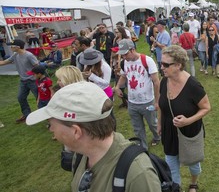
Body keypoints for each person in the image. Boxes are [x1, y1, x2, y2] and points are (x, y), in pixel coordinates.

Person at [26, 81, 162, 192]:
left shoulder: (137, 174)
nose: (51, 130)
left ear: (76, 132)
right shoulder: (80, 155)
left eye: (51, 124)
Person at [158, 45, 211, 191]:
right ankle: (176, 188)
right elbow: (160, 104)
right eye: (161, 63)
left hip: (189, 131)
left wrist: (187, 120)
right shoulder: (164, 81)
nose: (161, 67)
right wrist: (160, 124)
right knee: (171, 165)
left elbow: (206, 107)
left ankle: (194, 183)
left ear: (178, 65)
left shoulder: (193, 85)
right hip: (169, 130)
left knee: (193, 164)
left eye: (165, 64)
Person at [114, 39, 161, 150]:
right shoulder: (125, 62)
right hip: (132, 102)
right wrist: (117, 87)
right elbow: (124, 76)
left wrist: (157, 101)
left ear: (133, 49)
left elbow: (156, 82)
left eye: (125, 54)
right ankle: (142, 147)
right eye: (122, 54)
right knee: (137, 127)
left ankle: (157, 137)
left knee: (152, 123)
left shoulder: (147, 60)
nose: (124, 57)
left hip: (147, 101)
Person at [0, 39, 39, 123]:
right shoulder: (15, 55)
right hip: (23, 81)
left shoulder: (29, 55)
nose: (10, 47)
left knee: (39, 98)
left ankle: (45, 116)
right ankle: (27, 115)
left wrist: (37, 77)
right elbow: (4, 62)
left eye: (12, 46)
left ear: (18, 47)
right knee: (21, 98)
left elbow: (37, 66)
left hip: (32, 81)